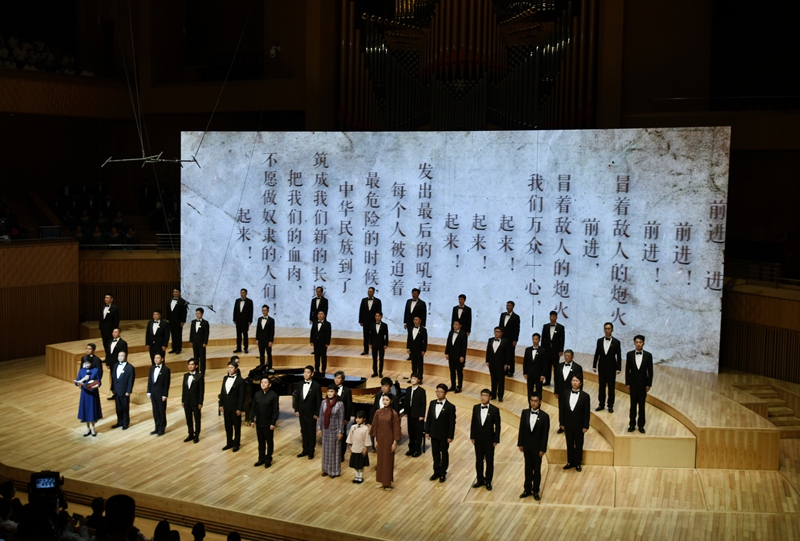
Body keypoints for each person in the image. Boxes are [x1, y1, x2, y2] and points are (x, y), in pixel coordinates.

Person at [518, 394, 550, 500]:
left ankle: (536, 491)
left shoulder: (545, 416)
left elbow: (545, 435)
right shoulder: (525, 413)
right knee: (527, 469)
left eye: (535, 401)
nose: (533, 403)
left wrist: (543, 449)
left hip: (537, 448)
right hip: (527, 447)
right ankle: (527, 489)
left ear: (540, 402)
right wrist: (520, 443)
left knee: (536, 470)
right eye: (531, 400)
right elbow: (521, 429)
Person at [470, 389, 501, 491]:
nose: (483, 397)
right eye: (482, 395)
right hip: (478, 439)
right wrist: (472, 436)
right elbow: (473, 423)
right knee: (479, 461)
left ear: (490, 397)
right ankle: (480, 480)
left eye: (486, 395)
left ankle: (488, 481)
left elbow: (498, 426)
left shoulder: (494, 410)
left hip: (489, 440)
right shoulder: (475, 408)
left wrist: (496, 439)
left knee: (489, 461)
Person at [425, 384, 456, 483]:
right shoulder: (432, 403)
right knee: (435, 453)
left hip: (444, 435)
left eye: (441, 392)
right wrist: (427, 431)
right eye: (437, 391)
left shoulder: (450, 407)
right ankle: (436, 472)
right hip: (434, 433)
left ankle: (443, 473)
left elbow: (452, 423)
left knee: (444, 453)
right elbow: (429, 418)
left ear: (445, 393)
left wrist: (450, 436)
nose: (438, 394)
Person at [559, 375, 591, 471]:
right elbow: (562, 409)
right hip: (568, 423)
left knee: (579, 444)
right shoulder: (565, 394)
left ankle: (578, 462)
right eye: (573, 380)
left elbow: (586, 412)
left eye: (577, 381)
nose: (575, 382)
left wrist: (585, 426)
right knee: (569, 443)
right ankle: (570, 462)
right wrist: (562, 423)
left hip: (579, 425)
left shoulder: (585, 396)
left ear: (580, 383)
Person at [370, 394, 401, 490]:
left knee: (388, 460)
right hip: (380, 438)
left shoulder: (394, 414)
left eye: (387, 400)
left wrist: (394, 442)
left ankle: (387, 483)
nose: (385, 402)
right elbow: (375, 426)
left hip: (389, 439)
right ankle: (381, 481)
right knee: (380, 460)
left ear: (391, 401)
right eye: (383, 400)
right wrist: (375, 439)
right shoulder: (378, 412)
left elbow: (396, 429)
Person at [626, 334, 653, 434]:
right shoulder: (629, 354)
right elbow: (627, 370)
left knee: (642, 406)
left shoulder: (648, 355)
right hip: (633, 384)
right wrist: (627, 383)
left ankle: (641, 425)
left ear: (643, 343)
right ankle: (632, 424)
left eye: (640, 342)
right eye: (637, 342)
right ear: (634, 343)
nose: (638, 344)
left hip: (643, 384)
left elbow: (650, 371)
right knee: (633, 405)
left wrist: (649, 384)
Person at [593, 322, 622, 413]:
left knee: (611, 387)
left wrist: (618, 368)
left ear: (612, 330)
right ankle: (601, 404)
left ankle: (610, 405)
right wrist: (594, 365)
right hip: (601, 367)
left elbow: (619, 356)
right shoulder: (599, 341)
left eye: (609, 329)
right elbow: (597, 353)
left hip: (612, 368)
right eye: (605, 328)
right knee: (601, 387)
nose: (607, 330)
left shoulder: (616, 342)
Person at [251, 376, 279, 468]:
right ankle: (261, 458)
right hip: (259, 423)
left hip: (268, 424)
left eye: (265, 383)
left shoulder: (273, 395)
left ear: (269, 385)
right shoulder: (257, 394)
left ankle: (268, 459)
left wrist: (273, 423)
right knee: (261, 442)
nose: (263, 384)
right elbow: (253, 407)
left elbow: (275, 410)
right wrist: (252, 419)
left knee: (269, 442)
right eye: (262, 382)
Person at [294, 365, 321, 459]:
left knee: (311, 432)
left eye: (308, 372)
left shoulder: (316, 386)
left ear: (312, 374)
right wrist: (296, 409)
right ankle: (305, 450)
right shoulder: (300, 384)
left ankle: (311, 451)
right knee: (304, 431)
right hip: (302, 412)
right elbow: (297, 398)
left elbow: (319, 401)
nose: (305, 374)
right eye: (304, 372)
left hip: (311, 413)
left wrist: (317, 413)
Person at [219, 358, 245, 451]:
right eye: (228, 367)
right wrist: (221, 404)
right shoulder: (225, 378)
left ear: (236, 369)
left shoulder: (240, 381)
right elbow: (222, 392)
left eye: (231, 367)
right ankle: (229, 442)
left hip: (235, 407)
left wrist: (240, 408)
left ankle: (236, 444)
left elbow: (242, 396)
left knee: (236, 427)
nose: (229, 369)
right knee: (228, 426)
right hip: (226, 407)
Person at [554, 349, 583, 433]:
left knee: (572, 410)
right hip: (561, 392)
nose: (566, 357)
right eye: (565, 356)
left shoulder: (577, 367)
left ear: (572, 357)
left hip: (572, 392)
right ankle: (562, 426)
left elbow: (581, 381)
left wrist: (580, 393)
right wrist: (556, 391)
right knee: (561, 409)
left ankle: (571, 427)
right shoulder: (559, 366)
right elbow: (556, 380)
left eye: (568, 356)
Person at [317, 387, 344, 477]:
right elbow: (321, 416)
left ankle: (334, 471)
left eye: (331, 391)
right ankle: (325, 469)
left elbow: (341, 419)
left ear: (335, 392)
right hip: (326, 430)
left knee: (334, 452)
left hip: (335, 430)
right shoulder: (323, 402)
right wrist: (319, 428)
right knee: (325, 451)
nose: (329, 393)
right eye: (328, 391)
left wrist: (340, 432)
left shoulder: (340, 404)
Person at [75, 356, 102, 436]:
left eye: (88, 363)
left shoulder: (95, 370)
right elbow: (77, 382)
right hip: (85, 393)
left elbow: (99, 381)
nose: (87, 365)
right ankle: (87, 428)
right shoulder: (82, 370)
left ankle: (93, 428)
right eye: (85, 363)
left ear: (91, 363)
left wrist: (96, 385)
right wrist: (81, 381)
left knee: (92, 410)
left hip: (93, 393)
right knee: (86, 410)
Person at [485, 327, 512, 402]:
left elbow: (508, 353)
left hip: (501, 364)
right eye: (495, 331)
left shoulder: (506, 341)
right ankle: (493, 394)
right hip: (492, 363)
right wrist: (487, 361)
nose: (496, 333)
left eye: (498, 332)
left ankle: (500, 396)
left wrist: (506, 363)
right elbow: (488, 351)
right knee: (493, 379)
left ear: (501, 333)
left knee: (501, 380)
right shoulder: (490, 340)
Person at [147, 353, 171, 436]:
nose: (156, 359)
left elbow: (166, 383)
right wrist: (149, 391)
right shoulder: (152, 368)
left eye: (158, 358)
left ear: (162, 359)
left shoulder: (166, 370)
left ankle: (162, 428)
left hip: (161, 394)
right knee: (155, 411)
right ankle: (157, 427)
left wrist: (165, 395)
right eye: (155, 358)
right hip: (153, 393)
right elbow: (150, 380)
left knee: (161, 411)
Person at [403, 373, 426, 457]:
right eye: (412, 378)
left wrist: (422, 415)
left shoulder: (421, 391)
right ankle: (411, 448)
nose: (412, 380)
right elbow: (406, 401)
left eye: (415, 379)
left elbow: (423, 404)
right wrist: (406, 412)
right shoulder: (408, 389)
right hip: (410, 414)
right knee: (411, 432)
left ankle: (417, 450)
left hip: (418, 415)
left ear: (418, 380)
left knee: (418, 433)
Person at [181, 359, 204, 443]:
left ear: (196, 366)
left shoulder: (199, 376)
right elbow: (184, 389)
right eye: (189, 364)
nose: (190, 366)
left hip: (196, 401)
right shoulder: (186, 376)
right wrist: (183, 400)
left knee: (197, 419)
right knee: (188, 419)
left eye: (192, 364)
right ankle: (190, 434)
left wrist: (200, 402)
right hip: (187, 401)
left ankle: (196, 435)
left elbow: (201, 391)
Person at [333, 371, 354, 462]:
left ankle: (341, 455)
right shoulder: (331, 388)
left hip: (342, 418)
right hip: (332, 418)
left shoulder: (347, 390)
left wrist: (346, 418)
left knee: (342, 436)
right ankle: (333, 454)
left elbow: (349, 405)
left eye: (339, 378)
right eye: (335, 378)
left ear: (343, 380)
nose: (337, 380)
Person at [540, 310, 565, 386]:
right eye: (551, 316)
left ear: (556, 317)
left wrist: (561, 350)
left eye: (554, 316)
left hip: (556, 351)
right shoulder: (545, 326)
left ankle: (556, 382)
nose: (552, 318)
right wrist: (542, 349)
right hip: (547, 350)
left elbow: (562, 340)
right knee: (547, 366)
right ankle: (547, 381)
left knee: (556, 366)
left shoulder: (561, 327)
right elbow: (543, 338)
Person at [111, 351, 134, 430]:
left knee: (125, 408)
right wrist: (113, 388)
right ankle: (119, 422)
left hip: (124, 391)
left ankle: (125, 423)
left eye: (122, 356)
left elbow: (131, 380)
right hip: (117, 391)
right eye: (119, 356)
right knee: (118, 408)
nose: (120, 358)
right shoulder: (115, 365)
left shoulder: (130, 367)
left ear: (126, 357)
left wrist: (128, 391)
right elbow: (114, 378)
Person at [346, 411, 371, 484]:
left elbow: (367, 439)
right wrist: (350, 447)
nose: (358, 420)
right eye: (357, 418)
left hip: (361, 449)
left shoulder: (365, 428)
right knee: (355, 464)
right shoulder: (353, 427)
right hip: (354, 448)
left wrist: (366, 448)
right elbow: (350, 437)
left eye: (360, 418)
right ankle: (356, 476)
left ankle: (360, 476)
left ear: (364, 419)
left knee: (361, 465)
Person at [498, 301, 521, 375]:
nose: (508, 307)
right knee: (503, 353)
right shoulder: (503, 315)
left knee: (510, 354)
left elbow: (517, 329)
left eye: (509, 305)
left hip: (511, 339)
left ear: (513, 307)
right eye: (507, 305)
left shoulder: (516, 317)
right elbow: (500, 326)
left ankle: (511, 370)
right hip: (503, 338)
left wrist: (515, 340)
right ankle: (504, 369)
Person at [104, 328, 128, 400]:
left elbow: (124, 354)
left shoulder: (123, 343)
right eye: (113, 332)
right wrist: (107, 363)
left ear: (119, 333)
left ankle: (120, 393)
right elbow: (108, 353)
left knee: (119, 379)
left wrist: (122, 364)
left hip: (118, 364)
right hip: (111, 364)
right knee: (113, 378)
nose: (114, 333)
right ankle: (115, 393)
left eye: (116, 332)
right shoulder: (110, 341)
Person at [445, 320, 468, 393]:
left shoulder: (463, 334)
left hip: (459, 356)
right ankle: (453, 385)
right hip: (451, 355)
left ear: (460, 325)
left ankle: (459, 387)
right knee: (452, 372)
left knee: (459, 372)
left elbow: (464, 346)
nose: (454, 326)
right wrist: (446, 353)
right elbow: (448, 343)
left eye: (456, 324)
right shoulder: (451, 332)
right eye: (454, 324)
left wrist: (462, 356)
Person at [403, 289, 427, 357]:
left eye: (415, 293)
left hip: (417, 323)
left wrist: (423, 325)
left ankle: (418, 353)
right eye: (413, 293)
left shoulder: (422, 303)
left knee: (417, 339)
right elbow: (406, 312)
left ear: (418, 294)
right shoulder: (408, 301)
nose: (413, 295)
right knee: (410, 338)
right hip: (409, 323)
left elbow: (424, 314)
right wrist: (405, 322)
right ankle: (410, 354)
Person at [358, 287, 382, 355]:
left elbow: (379, 311)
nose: (369, 293)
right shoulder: (364, 300)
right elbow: (361, 311)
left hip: (374, 322)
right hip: (365, 322)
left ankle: (375, 350)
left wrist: (378, 320)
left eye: (371, 292)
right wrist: (360, 321)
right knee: (365, 336)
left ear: (374, 292)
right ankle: (366, 350)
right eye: (368, 291)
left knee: (374, 336)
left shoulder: (378, 301)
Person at [523, 333, 546, 400]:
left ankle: (539, 404)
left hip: (538, 375)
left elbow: (545, 364)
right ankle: (530, 404)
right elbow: (525, 362)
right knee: (529, 391)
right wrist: (525, 373)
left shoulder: (543, 351)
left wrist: (543, 375)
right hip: (530, 374)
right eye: (533, 339)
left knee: (539, 391)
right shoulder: (528, 350)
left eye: (536, 339)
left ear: (539, 340)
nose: (534, 341)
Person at [166, 288, 188, 354]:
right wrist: (167, 319)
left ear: (179, 293)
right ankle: (174, 348)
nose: (175, 293)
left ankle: (178, 348)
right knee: (173, 334)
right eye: (174, 292)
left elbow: (184, 312)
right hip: (171, 321)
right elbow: (168, 310)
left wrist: (183, 321)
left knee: (178, 335)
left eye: (176, 292)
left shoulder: (183, 301)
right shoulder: (169, 300)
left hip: (178, 321)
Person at [406, 315, 427, 381]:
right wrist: (408, 348)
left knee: (420, 365)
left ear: (420, 321)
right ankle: (413, 378)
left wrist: (424, 350)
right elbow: (409, 338)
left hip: (419, 349)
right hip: (412, 349)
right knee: (413, 364)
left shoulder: (423, 330)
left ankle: (420, 379)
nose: (415, 321)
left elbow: (425, 341)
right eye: (414, 320)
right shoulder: (410, 328)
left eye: (417, 320)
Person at [232, 289, 253, 354]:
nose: (242, 294)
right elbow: (235, 310)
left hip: (245, 321)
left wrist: (250, 320)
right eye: (241, 292)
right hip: (238, 321)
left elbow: (251, 312)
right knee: (238, 335)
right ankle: (238, 348)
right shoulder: (237, 300)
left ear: (246, 293)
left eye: (243, 292)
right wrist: (234, 319)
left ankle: (246, 348)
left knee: (245, 335)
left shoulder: (249, 301)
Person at [369, 311, 389, 378]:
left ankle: (380, 372)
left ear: (381, 317)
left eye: (378, 316)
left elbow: (386, 335)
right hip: (374, 344)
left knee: (381, 358)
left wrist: (386, 344)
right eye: (376, 316)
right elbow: (370, 335)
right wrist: (370, 343)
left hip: (381, 344)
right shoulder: (372, 325)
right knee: (374, 358)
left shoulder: (384, 325)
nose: (377, 317)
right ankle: (375, 372)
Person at [189, 309, 209, 374]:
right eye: (196, 313)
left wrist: (205, 342)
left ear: (202, 314)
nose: (197, 315)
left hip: (201, 343)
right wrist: (191, 341)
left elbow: (206, 333)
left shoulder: (205, 323)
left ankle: (202, 371)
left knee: (202, 358)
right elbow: (191, 332)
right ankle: (196, 371)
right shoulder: (193, 322)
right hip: (195, 343)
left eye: (199, 313)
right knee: (195, 358)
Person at [255, 305, 275, 370]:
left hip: (267, 340)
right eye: (263, 310)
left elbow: (272, 331)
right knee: (261, 354)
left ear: (268, 311)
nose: (264, 312)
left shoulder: (271, 320)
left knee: (269, 354)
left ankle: (269, 367)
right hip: (260, 340)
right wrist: (257, 339)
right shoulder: (259, 319)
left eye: (265, 310)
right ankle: (262, 367)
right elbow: (258, 330)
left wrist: (271, 340)